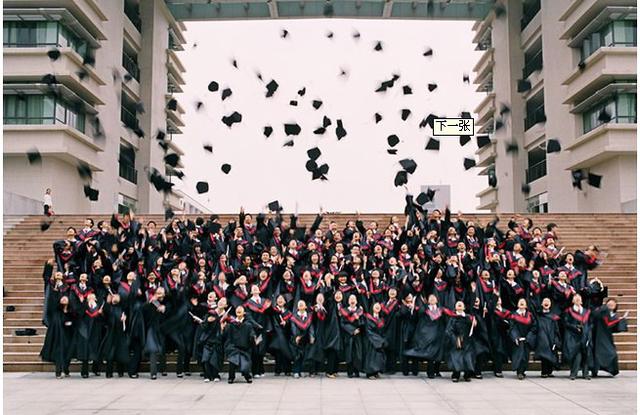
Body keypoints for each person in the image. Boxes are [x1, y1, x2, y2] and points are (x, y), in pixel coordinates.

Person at [591, 298, 628, 377]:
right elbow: (594, 315)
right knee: (596, 353)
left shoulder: (615, 316)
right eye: (609, 304)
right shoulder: (601, 310)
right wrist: (604, 308)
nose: (611, 305)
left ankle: (612, 370)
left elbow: (615, 328)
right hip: (597, 335)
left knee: (612, 353)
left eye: (613, 304)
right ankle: (595, 370)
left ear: (615, 307)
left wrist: (622, 320)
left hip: (607, 337)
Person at [563, 294, 592, 380]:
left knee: (586, 354)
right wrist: (575, 327)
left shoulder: (587, 312)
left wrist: (588, 332)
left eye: (579, 298)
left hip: (585, 334)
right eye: (575, 298)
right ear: (572, 301)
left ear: (582, 301)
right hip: (573, 335)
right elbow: (566, 323)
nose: (577, 299)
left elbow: (590, 324)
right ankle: (573, 373)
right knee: (577, 354)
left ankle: (586, 373)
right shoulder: (569, 311)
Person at [445, 301, 476, 382]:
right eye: (457, 304)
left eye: (461, 304)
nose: (459, 304)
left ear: (464, 307)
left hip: (467, 341)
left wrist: (475, 323)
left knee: (468, 358)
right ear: (455, 307)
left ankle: (467, 375)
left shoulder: (469, 317)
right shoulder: (452, 317)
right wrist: (455, 339)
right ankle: (456, 375)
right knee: (457, 358)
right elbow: (448, 331)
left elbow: (473, 327)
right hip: (456, 340)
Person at [224, 305, 255, 384]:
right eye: (237, 309)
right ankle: (231, 377)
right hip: (233, 347)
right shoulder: (231, 324)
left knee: (245, 365)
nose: (238, 310)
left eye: (241, 309)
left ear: (244, 312)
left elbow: (252, 334)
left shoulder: (248, 325)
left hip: (245, 348)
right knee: (232, 361)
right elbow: (227, 336)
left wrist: (253, 338)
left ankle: (247, 376)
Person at [508, 298, 537, 380]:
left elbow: (534, 327)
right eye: (520, 301)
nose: (521, 302)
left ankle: (523, 371)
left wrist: (529, 336)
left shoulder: (530, 315)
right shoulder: (513, 315)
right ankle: (519, 372)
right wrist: (516, 337)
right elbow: (512, 327)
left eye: (523, 302)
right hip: (518, 339)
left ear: (526, 305)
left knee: (525, 356)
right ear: (517, 304)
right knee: (519, 355)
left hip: (527, 338)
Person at [362, 302, 386, 379]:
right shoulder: (368, 317)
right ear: (372, 307)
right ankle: (370, 373)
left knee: (378, 357)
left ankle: (376, 372)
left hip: (379, 340)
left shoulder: (381, 318)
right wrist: (377, 339)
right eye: (376, 306)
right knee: (371, 357)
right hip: (371, 341)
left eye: (379, 306)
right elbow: (368, 330)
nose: (377, 307)